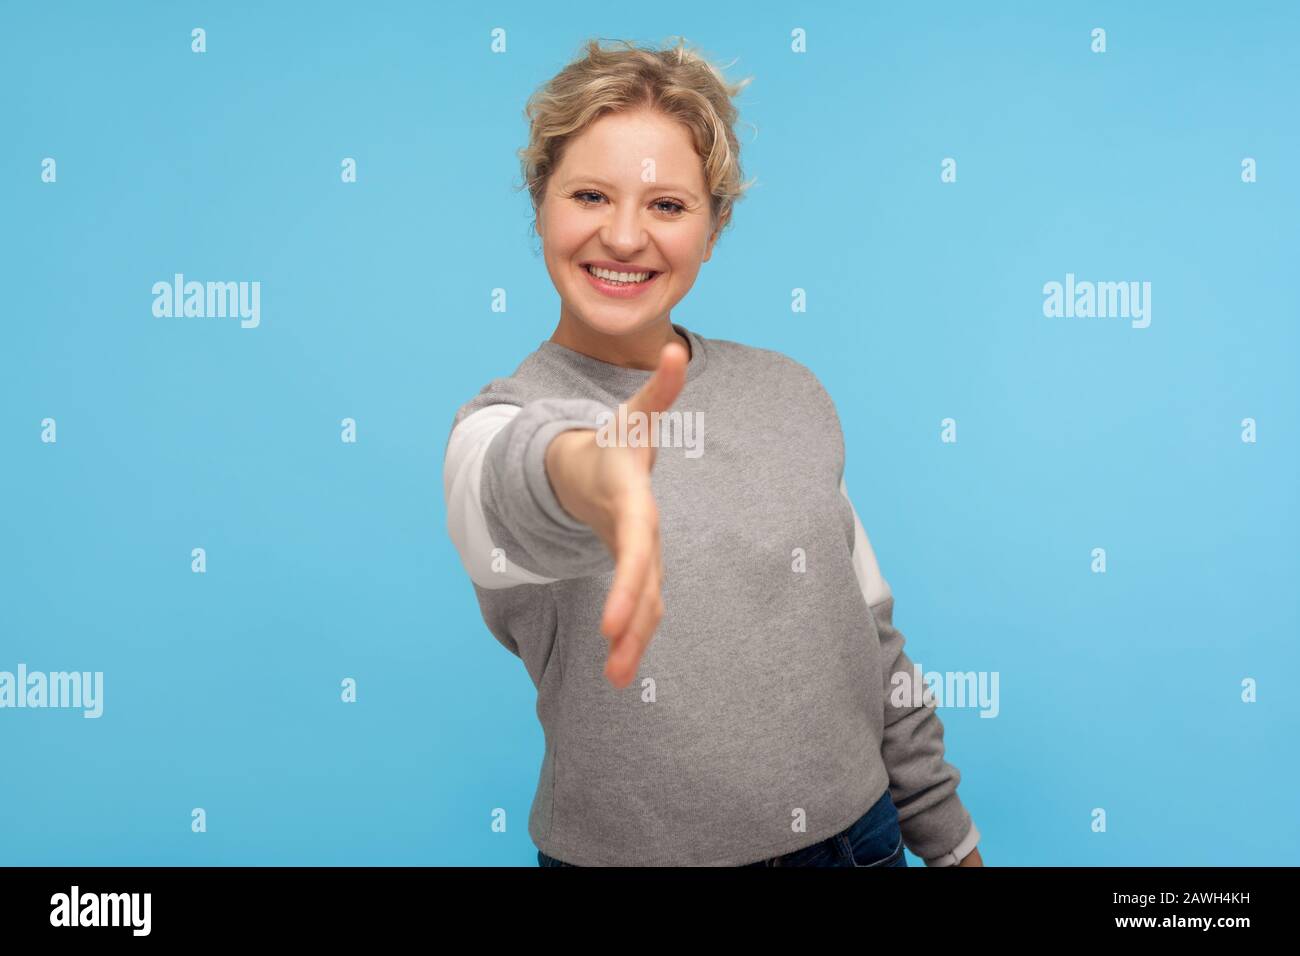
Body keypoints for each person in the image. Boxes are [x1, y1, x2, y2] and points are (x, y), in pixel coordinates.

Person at [443, 36, 983, 867]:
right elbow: (517, 476)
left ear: (714, 225)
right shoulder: (498, 425)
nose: (624, 237)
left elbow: (871, 641)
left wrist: (950, 843)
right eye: (590, 194)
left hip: (859, 844)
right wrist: (589, 478)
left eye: (667, 205)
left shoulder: (788, 393)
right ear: (540, 202)